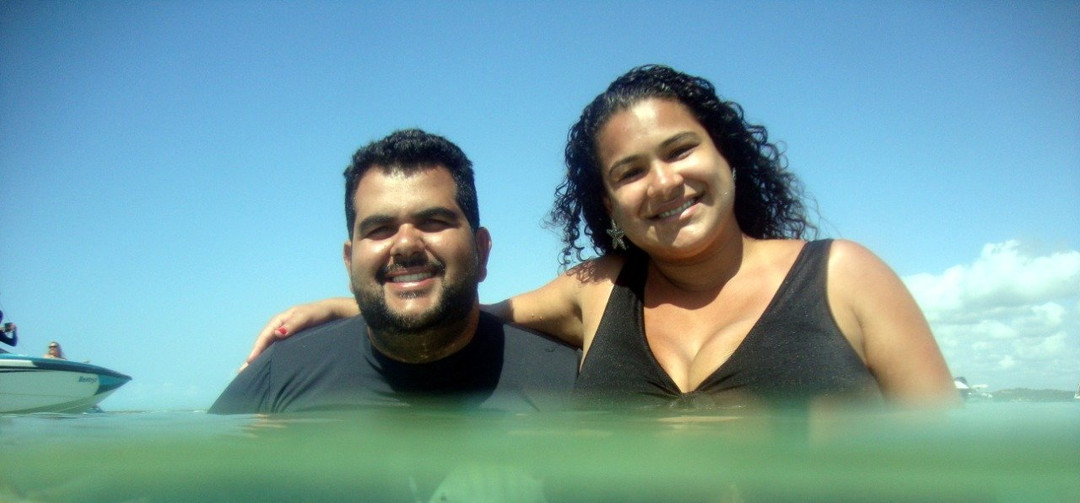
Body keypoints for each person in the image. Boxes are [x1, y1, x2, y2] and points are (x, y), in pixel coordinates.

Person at [244, 65, 957, 410]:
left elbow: (951, 470)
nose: (664, 183)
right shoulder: (599, 292)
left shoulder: (845, 277)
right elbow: (467, 311)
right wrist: (349, 308)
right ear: (608, 203)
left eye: (681, 151)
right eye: (630, 171)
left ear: (728, 156)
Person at [210, 129, 578, 414]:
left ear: (481, 251)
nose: (405, 245)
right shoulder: (280, 378)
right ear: (349, 261)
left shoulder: (567, 383)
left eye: (434, 221)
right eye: (380, 228)